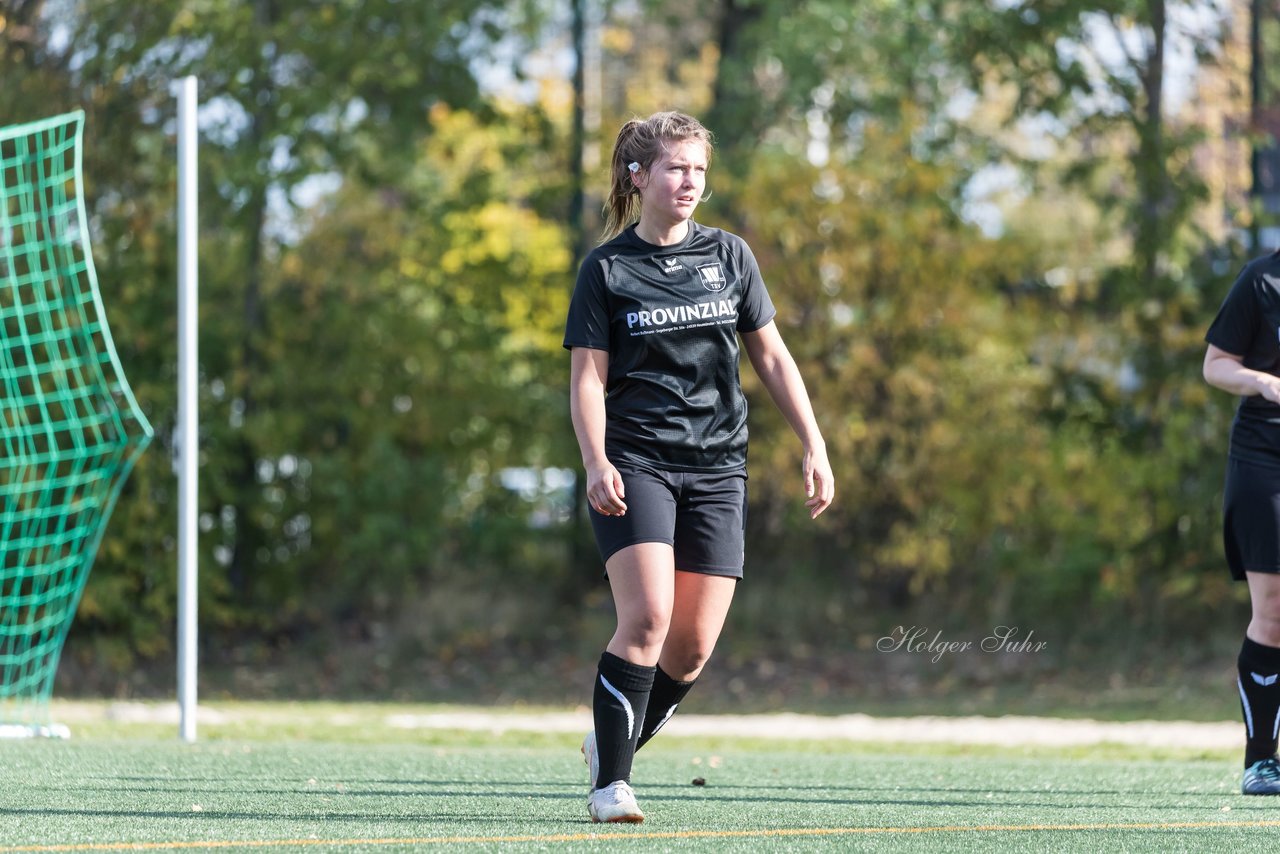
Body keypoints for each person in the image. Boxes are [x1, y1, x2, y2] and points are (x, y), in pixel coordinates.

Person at [562, 110, 835, 823]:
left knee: (688, 651)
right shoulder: (608, 268)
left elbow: (771, 355)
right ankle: (610, 787)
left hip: (718, 467)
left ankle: (608, 743)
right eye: (677, 168)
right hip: (636, 461)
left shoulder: (730, 257)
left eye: (699, 170)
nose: (690, 181)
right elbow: (588, 378)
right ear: (640, 175)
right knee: (648, 618)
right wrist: (594, 460)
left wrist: (814, 440)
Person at [1204, 247, 1280, 796]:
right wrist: (1260, 380)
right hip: (1264, 460)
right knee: (1273, 611)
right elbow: (1215, 365)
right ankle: (1261, 762)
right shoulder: (1261, 280)